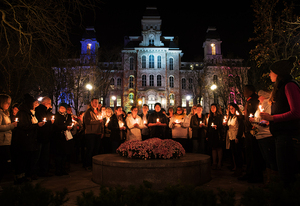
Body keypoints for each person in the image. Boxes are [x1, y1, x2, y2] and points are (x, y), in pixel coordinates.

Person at [260, 56, 300, 188]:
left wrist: (272, 118)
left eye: (271, 71)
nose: (270, 74)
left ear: (278, 73)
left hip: (288, 138)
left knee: (287, 176)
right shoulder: (281, 87)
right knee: (284, 174)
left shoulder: (289, 85)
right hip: (281, 136)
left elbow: (296, 112)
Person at [15, 94, 45, 184]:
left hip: (31, 139)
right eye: (33, 103)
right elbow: (24, 125)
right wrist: (37, 125)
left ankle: (25, 175)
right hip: (24, 139)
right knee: (22, 159)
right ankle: (19, 177)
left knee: (28, 158)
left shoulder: (29, 112)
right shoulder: (23, 113)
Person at [249, 90, 277, 184]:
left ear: (264, 96)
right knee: (266, 159)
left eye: (260, 95)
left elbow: (267, 121)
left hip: (266, 135)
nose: (258, 97)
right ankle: (268, 180)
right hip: (260, 135)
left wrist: (255, 121)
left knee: (270, 159)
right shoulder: (260, 106)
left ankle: (273, 182)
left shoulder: (268, 105)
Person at [238, 85, 263, 183]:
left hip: (252, 130)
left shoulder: (254, 101)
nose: (243, 92)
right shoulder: (249, 100)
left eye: (244, 90)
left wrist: (251, 126)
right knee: (249, 153)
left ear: (249, 91)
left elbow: (253, 115)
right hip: (248, 130)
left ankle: (255, 175)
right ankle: (250, 173)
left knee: (253, 153)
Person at [0, 94, 18, 188]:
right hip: (2, 142)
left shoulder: (5, 113)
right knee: (4, 163)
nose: (8, 105)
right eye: (7, 103)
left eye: (9, 103)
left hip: (6, 141)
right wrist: (11, 126)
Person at [35, 97, 54, 177]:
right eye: (49, 103)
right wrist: (50, 122)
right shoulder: (40, 110)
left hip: (46, 136)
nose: (50, 105)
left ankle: (44, 170)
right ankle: (39, 171)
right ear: (44, 103)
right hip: (41, 136)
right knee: (40, 155)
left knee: (45, 155)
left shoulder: (47, 111)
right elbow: (44, 122)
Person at [52, 103, 73, 176]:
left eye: (63, 108)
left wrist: (70, 127)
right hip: (58, 137)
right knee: (58, 154)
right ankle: (58, 169)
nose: (62, 109)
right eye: (60, 108)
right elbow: (56, 126)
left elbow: (70, 123)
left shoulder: (68, 116)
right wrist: (65, 127)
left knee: (64, 153)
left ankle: (63, 168)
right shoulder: (57, 116)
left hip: (66, 137)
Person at [83, 98, 103, 170]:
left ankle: (94, 164)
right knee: (90, 149)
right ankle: (87, 164)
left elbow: (101, 123)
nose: (96, 104)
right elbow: (87, 122)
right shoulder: (88, 112)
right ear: (91, 103)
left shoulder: (99, 112)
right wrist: (97, 122)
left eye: (97, 102)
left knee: (96, 150)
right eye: (95, 102)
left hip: (98, 133)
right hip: (90, 133)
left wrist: (102, 131)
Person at [226, 103, 244, 177]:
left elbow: (240, 127)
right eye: (230, 108)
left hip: (236, 136)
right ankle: (236, 168)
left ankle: (240, 169)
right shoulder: (231, 117)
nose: (231, 110)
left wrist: (238, 137)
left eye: (232, 108)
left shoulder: (238, 117)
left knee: (238, 153)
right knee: (234, 153)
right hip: (231, 137)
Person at [206, 104, 224, 170]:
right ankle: (214, 162)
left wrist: (217, 127)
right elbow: (208, 127)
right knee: (213, 148)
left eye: (214, 107)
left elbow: (222, 125)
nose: (212, 108)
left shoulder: (220, 116)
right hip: (212, 134)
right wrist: (207, 135)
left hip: (218, 134)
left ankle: (219, 162)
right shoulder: (210, 117)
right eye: (211, 107)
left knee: (219, 148)